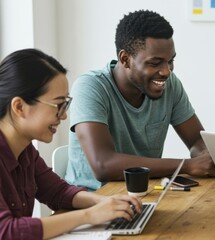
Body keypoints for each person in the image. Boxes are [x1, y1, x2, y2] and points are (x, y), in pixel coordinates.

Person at [65, 9, 215, 191]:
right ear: (125, 59)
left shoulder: (169, 85)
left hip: (143, 196)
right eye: (155, 63)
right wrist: (187, 166)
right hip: (91, 202)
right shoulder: (90, 87)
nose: (167, 71)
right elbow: (103, 165)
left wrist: (204, 155)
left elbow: (195, 140)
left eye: (170, 61)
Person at [0, 48, 142, 239]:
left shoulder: (25, 151)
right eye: (59, 105)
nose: (64, 115)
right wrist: (89, 215)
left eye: (65, 105)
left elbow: (58, 192)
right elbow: (7, 231)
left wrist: (106, 202)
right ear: (19, 107)